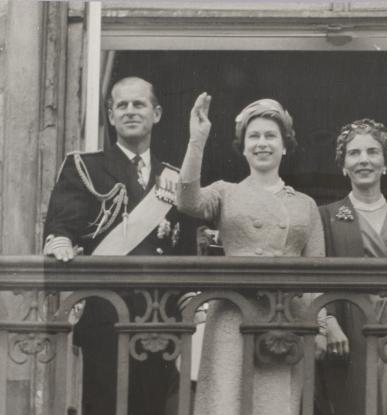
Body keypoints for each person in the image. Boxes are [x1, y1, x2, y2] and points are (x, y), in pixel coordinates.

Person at [177, 93, 347, 415]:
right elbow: (188, 201)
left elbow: (317, 272)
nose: (262, 143)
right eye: (253, 136)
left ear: (285, 146)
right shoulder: (226, 192)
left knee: (276, 405)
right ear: (243, 147)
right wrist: (196, 142)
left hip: (285, 322)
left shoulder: (305, 204)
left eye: (271, 136)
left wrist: (321, 328)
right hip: (232, 315)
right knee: (226, 402)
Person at [43, 76, 193, 415]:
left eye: (138, 104)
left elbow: (185, 248)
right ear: (110, 117)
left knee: (152, 407)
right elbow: (62, 224)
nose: (129, 111)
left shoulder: (174, 178)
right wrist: (61, 242)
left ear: (156, 113)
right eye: (121, 106)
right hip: (104, 314)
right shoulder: (84, 167)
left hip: (159, 316)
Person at [318, 119, 387, 415]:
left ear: (385, 163)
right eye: (354, 153)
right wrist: (328, 323)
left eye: (372, 152)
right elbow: (315, 277)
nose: (363, 159)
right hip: (351, 329)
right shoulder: (325, 217)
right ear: (343, 165)